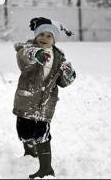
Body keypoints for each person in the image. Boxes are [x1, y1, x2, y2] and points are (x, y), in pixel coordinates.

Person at [13, 17, 76, 178]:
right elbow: (24, 56)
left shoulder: (59, 58)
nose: (44, 38)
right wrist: (37, 54)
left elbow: (63, 82)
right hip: (26, 100)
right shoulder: (27, 49)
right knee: (24, 132)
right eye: (41, 35)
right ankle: (30, 152)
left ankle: (46, 168)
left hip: (45, 104)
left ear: (54, 40)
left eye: (49, 36)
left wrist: (69, 74)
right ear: (35, 36)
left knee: (42, 134)